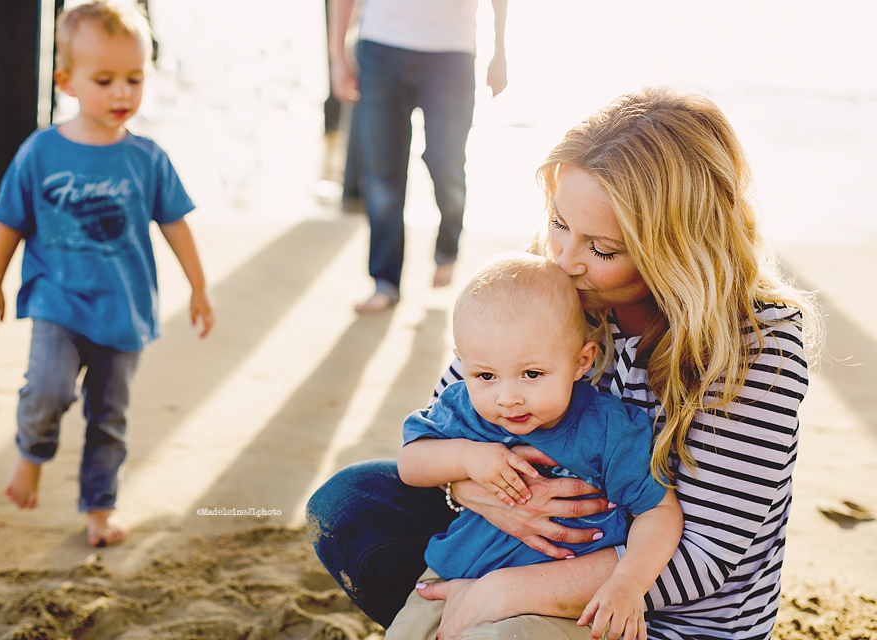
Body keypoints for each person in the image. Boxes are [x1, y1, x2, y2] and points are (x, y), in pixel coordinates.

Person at [307, 86, 820, 640]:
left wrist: (501, 594)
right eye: (558, 223)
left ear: (677, 247)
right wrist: (475, 488)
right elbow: (455, 419)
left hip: (656, 615)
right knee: (351, 502)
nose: (564, 259)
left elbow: (704, 557)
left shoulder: (756, 347)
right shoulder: (549, 286)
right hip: (510, 550)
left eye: (602, 249)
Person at [0, 0, 215, 548]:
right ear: (67, 81)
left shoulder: (147, 158)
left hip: (123, 312)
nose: (122, 93)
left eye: (134, 78)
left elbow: (175, 225)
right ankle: (31, 454)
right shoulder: (40, 152)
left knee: (109, 418)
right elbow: (9, 223)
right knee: (47, 388)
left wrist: (199, 287)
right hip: (57, 301)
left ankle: (99, 507)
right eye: (104, 80)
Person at [389, 252, 683, 640]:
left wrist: (627, 581)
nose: (507, 398)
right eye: (486, 375)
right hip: (456, 569)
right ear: (463, 363)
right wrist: (466, 457)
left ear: (581, 362)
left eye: (532, 374)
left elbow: (659, 511)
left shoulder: (608, 428)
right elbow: (410, 464)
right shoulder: (463, 408)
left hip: (556, 604)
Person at [328, 0, 509, 314]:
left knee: (447, 165)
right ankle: (385, 282)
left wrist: (500, 51)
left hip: (452, 51)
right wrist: (337, 55)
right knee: (383, 177)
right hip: (380, 46)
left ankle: (447, 250)